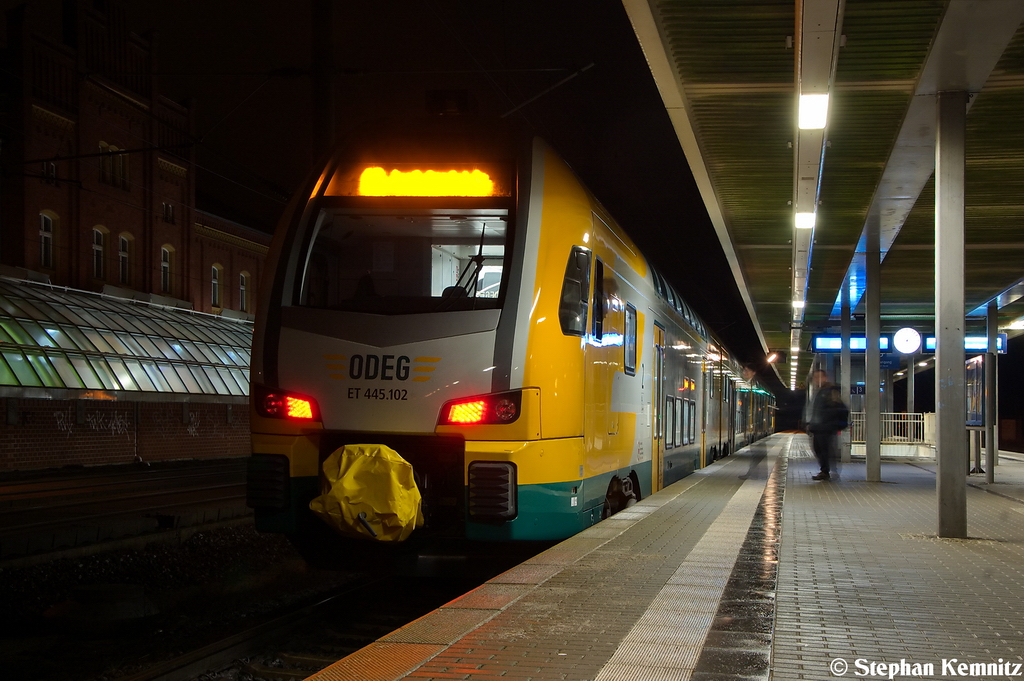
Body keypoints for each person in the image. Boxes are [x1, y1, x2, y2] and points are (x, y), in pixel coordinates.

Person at [806, 369, 849, 481]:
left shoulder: (830, 391)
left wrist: (828, 421)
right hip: (818, 426)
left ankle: (826, 471)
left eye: (819, 377)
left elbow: (838, 408)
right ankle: (827, 470)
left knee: (824, 450)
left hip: (826, 427)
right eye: (815, 377)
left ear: (825, 378)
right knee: (819, 449)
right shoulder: (820, 391)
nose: (817, 380)